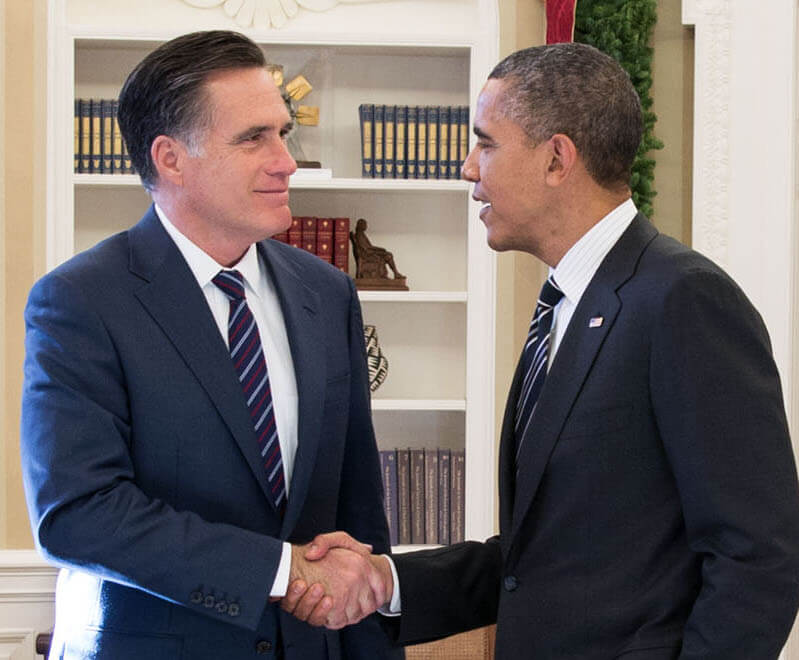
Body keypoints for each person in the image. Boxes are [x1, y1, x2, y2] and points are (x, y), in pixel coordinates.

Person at [281, 42, 799, 659]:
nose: (469, 168)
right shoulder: (567, 300)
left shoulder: (685, 300)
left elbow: (758, 555)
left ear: (557, 158)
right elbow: (540, 558)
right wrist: (386, 582)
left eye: (487, 143)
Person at [20, 30, 402, 660]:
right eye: (255, 138)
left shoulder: (326, 292)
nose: (286, 160)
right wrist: (281, 571)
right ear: (170, 158)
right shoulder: (81, 301)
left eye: (282, 132)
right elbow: (78, 513)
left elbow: (357, 512)